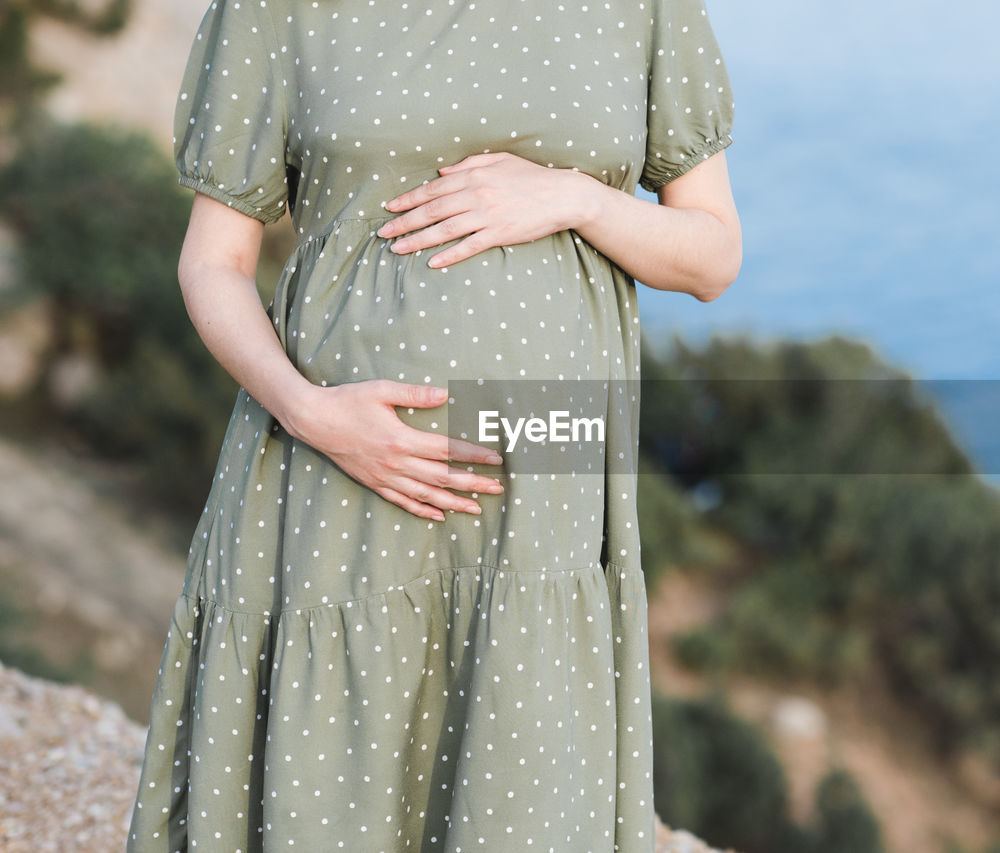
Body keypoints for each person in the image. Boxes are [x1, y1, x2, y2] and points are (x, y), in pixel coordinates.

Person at [125, 0, 739, 850]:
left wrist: (574, 198)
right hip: (335, 471)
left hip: (541, 504)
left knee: (518, 788)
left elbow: (712, 254)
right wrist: (313, 413)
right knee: (331, 783)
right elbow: (212, 263)